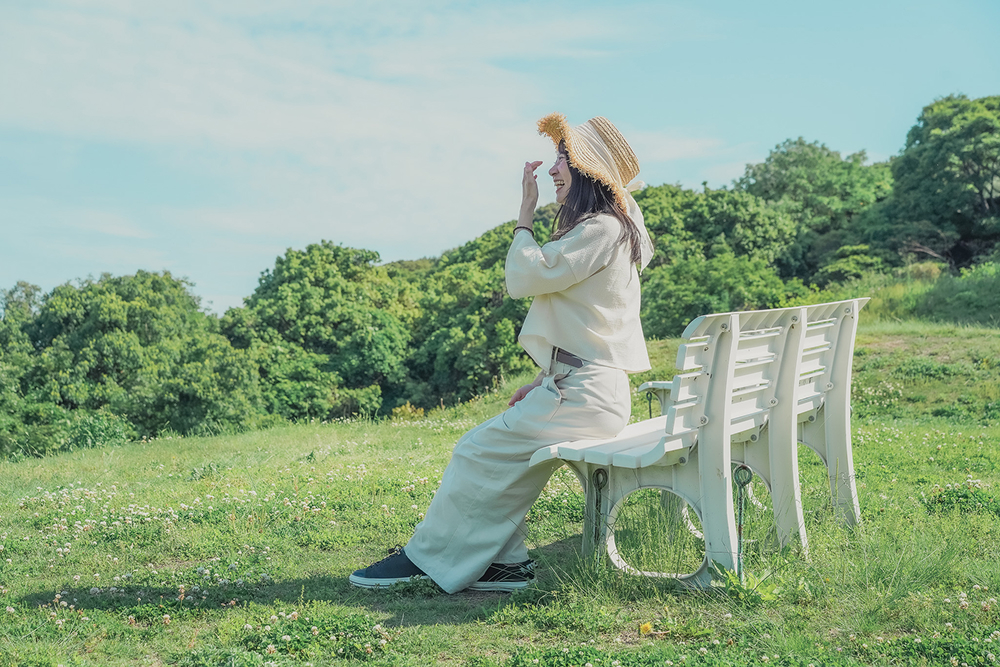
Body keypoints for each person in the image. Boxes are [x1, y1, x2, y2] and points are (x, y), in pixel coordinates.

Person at [349, 113, 654, 593]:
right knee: (497, 455)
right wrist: (542, 380)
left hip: (584, 395)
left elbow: (526, 276)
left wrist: (525, 214)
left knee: (476, 452)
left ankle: (426, 557)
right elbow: (592, 321)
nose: (553, 171)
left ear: (590, 172)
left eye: (564, 160)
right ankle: (503, 565)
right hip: (588, 388)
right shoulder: (616, 227)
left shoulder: (600, 229)